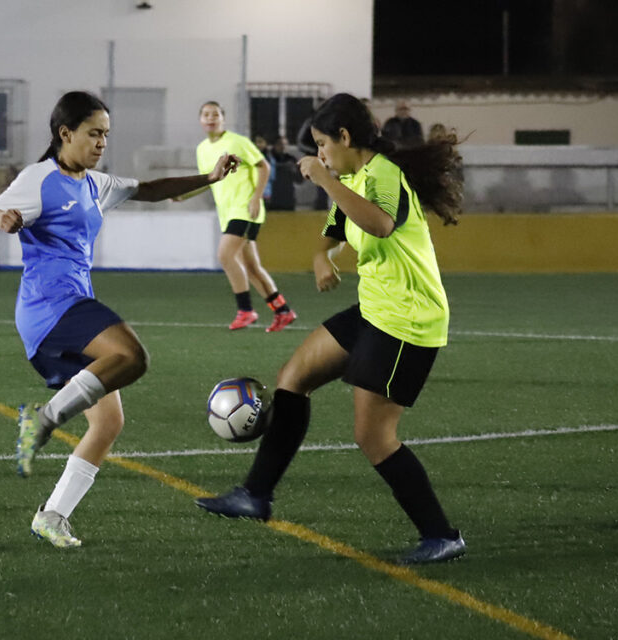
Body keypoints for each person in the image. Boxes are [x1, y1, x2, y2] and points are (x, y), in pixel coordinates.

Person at [196, 93, 467, 565]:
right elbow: (338, 227)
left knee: (373, 436)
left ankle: (441, 536)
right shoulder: (353, 176)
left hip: (408, 319)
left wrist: (323, 178)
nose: (319, 154)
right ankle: (255, 495)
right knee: (293, 378)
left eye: (323, 144)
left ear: (344, 138)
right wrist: (323, 254)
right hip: (373, 308)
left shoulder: (382, 173)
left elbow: (380, 224)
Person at [0, 91, 239, 548]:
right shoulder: (39, 179)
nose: (101, 143)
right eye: (94, 133)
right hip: (50, 307)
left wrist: (210, 177)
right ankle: (44, 419)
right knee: (131, 355)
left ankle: (52, 516)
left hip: (70, 306)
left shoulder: (94, 184)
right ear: (65, 133)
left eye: (106, 135)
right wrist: (2, 219)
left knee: (108, 422)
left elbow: (150, 190)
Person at [190, 102, 297, 332]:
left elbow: (264, 166)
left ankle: (246, 310)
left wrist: (256, 198)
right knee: (251, 266)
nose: (211, 118)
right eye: (206, 114)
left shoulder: (237, 142)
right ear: (200, 120)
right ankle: (283, 311)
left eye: (215, 114)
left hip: (245, 209)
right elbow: (208, 179)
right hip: (227, 213)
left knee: (225, 255)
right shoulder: (201, 149)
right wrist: (182, 195)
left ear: (223, 119)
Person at [267, 136, 302, 211]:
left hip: (288, 199)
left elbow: (299, 179)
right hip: (272, 199)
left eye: (285, 144)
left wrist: (292, 169)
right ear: (274, 145)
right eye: (280, 144)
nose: (283, 147)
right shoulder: (268, 159)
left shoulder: (291, 160)